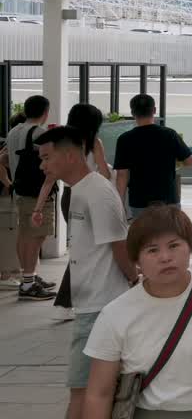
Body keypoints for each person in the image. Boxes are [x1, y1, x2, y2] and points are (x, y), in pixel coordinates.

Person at [82, 206, 192, 419]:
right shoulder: (115, 314)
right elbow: (99, 393)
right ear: (137, 261)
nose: (165, 257)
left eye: (174, 246)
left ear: (189, 248)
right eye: (152, 250)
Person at [34, 126, 136, 419]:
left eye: (46, 157)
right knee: (87, 389)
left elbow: (118, 245)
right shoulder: (78, 189)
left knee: (84, 390)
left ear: (68, 156)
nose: (42, 165)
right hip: (90, 305)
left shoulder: (99, 192)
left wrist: (133, 280)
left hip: (101, 307)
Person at [46, 103, 111, 316]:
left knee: (82, 247)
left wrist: (38, 207)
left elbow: (51, 175)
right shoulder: (94, 143)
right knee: (85, 250)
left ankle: (70, 302)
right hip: (89, 196)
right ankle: (65, 303)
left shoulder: (62, 143)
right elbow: (105, 173)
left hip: (68, 196)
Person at [6, 95, 57, 301]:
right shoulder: (39, 133)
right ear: (45, 113)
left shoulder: (14, 131)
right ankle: (28, 283)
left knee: (25, 234)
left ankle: (29, 277)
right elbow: (51, 162)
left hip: (19, 189)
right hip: (36, 193)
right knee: (35, 236)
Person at [114, 94, 192, 218]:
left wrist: (119, 205)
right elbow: (190, 161)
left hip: (139, 201)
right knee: (169, 235)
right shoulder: (169, 134)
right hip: (168, 200)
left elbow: (122, 175)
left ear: (133, 112)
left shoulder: (125, 139)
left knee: (144, 237)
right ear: (154, 110)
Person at [0, 112, 27, 290]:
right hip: (5, 196)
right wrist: (8, 184)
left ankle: (11, 273)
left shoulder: (10, 142)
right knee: (8, 234)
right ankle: (6, 274)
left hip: (9, 194)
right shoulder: (9, 143)